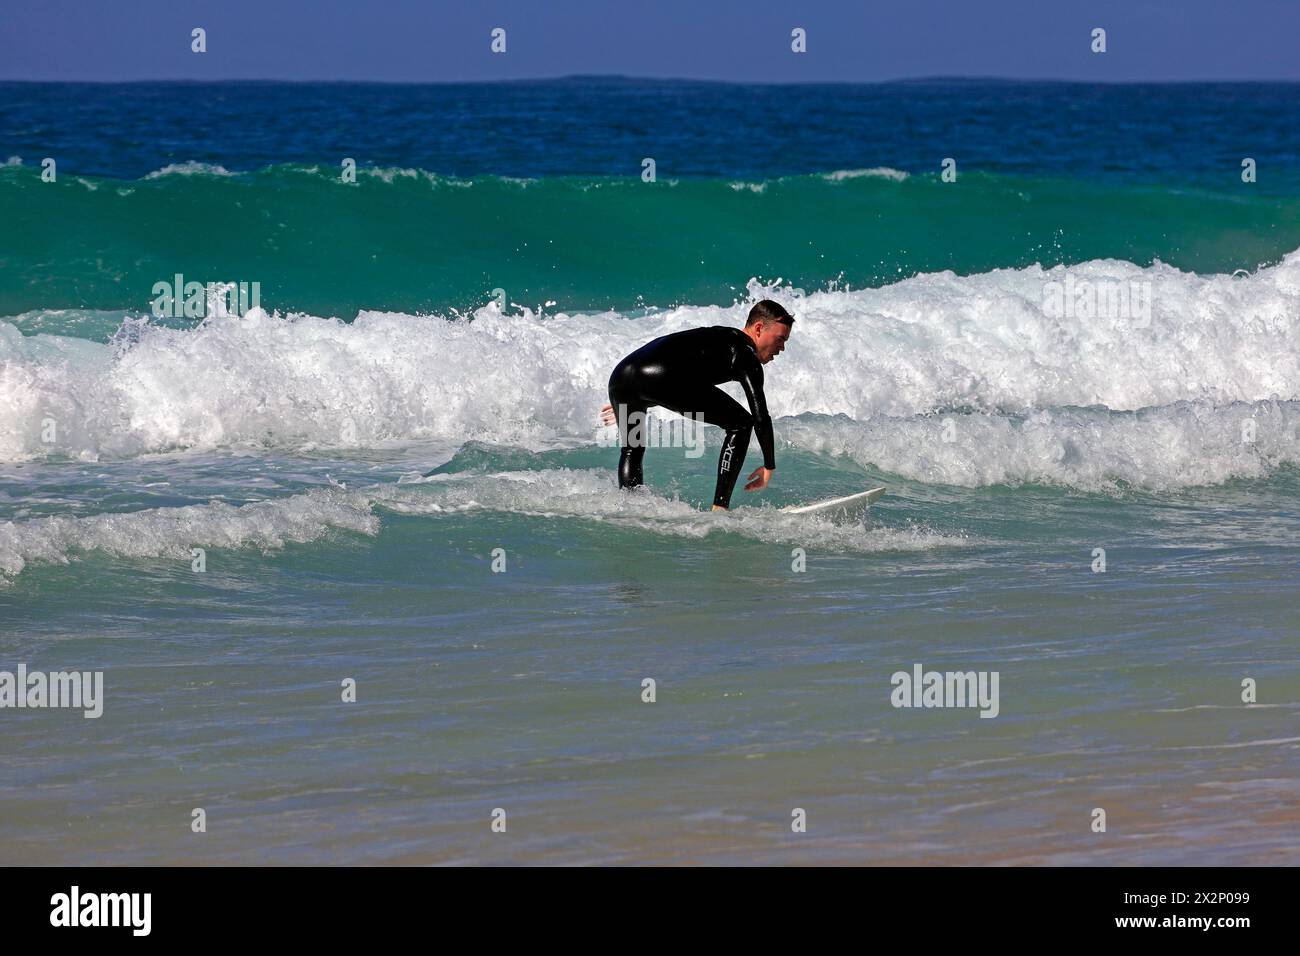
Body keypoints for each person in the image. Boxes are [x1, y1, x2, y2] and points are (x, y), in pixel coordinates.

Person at [600, 300, 793, 510]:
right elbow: (760, 417)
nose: (782, 348)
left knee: (631, 450)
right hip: (654, 381)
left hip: (622, 379)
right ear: (758, 328)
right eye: (780, 339)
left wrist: (639, 393)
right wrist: (769, 466)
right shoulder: (745, 355)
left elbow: (680, 371)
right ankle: (720, 509)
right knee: (741, 424)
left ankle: (630, 509)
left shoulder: (718, 338)